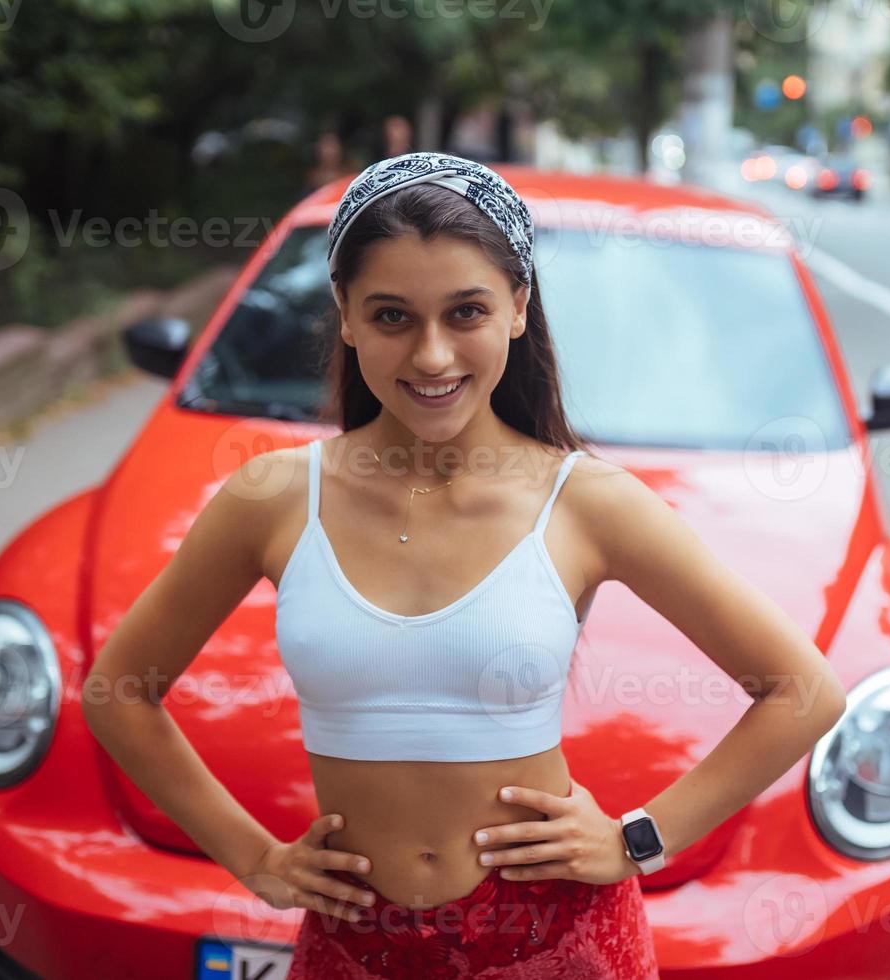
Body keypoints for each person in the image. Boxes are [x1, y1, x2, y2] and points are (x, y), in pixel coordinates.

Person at [84, 151, 847, 978]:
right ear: (343, 314)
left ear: (517, 309)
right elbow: (118, 692)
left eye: (465, 312)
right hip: (353, 945)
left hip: (556, 939)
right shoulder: (273, 496)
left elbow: (803, 691)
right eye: (391, 317)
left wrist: (637, 839)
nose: (433, 356)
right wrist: (255, 859)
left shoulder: (587, 502)